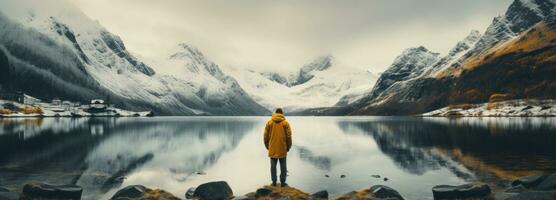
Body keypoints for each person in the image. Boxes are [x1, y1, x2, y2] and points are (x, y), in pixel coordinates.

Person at [263, 108, 292, 187]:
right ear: (282, 114)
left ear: (275, 113)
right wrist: (288, 147)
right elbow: (289, 136)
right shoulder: (285, 123)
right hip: (283, 147)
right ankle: (282, 182)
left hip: (272, 147)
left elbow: (265, 136)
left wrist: (267, 146)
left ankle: (274, 182)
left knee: (273, 166)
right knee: (283, 165)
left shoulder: (269, 123)